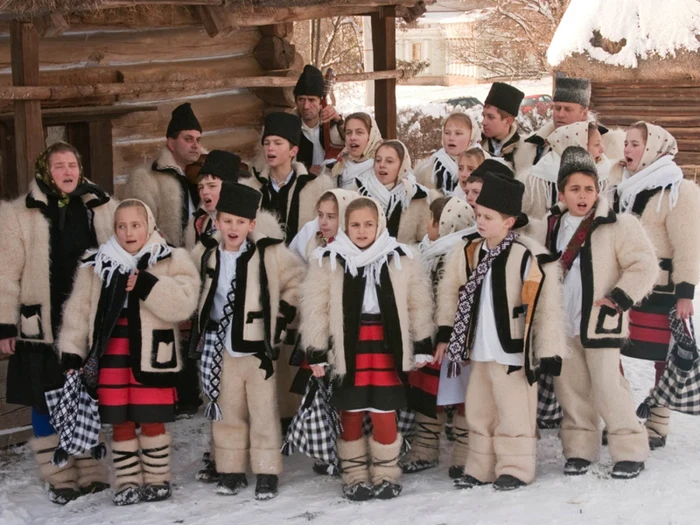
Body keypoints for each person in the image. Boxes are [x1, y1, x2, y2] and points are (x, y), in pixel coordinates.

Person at [58, 199, 200, 505]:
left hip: (152, 351)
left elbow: (186, 302)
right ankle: (126, 482)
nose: (128, 232)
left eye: (135, 225)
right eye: (121, 226)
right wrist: (72, 352)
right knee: (120, 419)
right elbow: (78, 311)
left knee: (151, 416)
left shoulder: (171, 257)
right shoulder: (96, 262)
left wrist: (147, 285)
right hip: (111, 352)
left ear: (148, 224)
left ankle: (157, 478)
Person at [435, 170, 566, 491]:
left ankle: (515, 466)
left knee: (514, 410)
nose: (480, 221)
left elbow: (547, 308)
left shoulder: (529, 256)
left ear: (509, 221)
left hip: (513, 349)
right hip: (479, 346)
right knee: (479, 409)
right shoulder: (468, 252)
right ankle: (481, 466)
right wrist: (445, 333)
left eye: (488, 217)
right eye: (478, 214)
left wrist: (549, 350)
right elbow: (451, 292)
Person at [0, 142, 116, 504]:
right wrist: (4, 324)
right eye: (58, 167)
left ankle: (91, 471)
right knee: (44, 397)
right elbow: (5, 274)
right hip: (41, 323)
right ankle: (59, 475)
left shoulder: (98, 206)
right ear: (44, 172)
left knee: (85, 394)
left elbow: (130, 237)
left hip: (85, 321)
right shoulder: (19, 214)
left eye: (72, 165)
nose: (67, 172)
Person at [299, 197, 434, 501]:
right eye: (355, 225)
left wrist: (422, 342)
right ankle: (355, 474)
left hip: (386, 345)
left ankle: (386, 473)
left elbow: (418, 303)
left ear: (380, 225)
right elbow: (316, 310)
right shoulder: (329, 259)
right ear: (346, 227)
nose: (362, 231)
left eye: (368, 224)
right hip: (349, 348)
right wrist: (317, 351)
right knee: (352, 409)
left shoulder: (400, 257)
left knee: (385, 409)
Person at [537, 146, 658, 479]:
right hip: (562, 323)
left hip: (601, 322)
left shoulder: (619, 224)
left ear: (598, 190)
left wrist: (619, 297)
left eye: (589, 188)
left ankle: (629, 449)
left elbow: (645, 266)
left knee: (608, 387)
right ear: (562, 192)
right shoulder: (550, 225)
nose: (583, 195)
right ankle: (579, 450)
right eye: (574, 189)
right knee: (571, 391)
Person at [189, 182, 303, 500]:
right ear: (217, 221)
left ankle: (266, 471)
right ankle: (231, 469)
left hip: (256, 349)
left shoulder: (268, 253)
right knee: (228, 411)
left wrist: (281, 315)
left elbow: (296, 282)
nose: (233, 227)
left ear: (252, 224)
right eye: (227, 220)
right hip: (219, 346)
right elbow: (191, 285)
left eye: (241, 222)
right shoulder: (207, 254)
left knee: (263, 412)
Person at [613, 122, 700, 450]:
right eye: (627, 144)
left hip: (661, 291)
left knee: (664, 357)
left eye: (636, 144)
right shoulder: (623, 186)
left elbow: (688, 245)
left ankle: (658, 422)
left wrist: (685, 293)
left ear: (654, 150)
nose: (628, 150)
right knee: (609, 350)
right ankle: (621, 415)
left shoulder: (679, 190)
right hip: (623, 285)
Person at [403, 196, 476, 478]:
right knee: (427, 395)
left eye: (430, 222)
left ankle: (464, 451)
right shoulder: (425, 252)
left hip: (457, 339)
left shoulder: (461, 253)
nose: (426, 227)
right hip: (430, 337)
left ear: (441, 224)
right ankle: (425, 447)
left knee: (462, 396)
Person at [247, 112, 334, 245]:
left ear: (293, 151)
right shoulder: (252, 188)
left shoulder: (317, 187)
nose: (270, 148)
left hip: (304, 262)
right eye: (266, 143)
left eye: (277, 143)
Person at [124, 103, 203, 247]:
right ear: (171, 144)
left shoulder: (206, 174)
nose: (195, 145)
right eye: (188, 139)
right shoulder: (144, 179)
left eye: (198, 140)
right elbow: (140, 227)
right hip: (166, 259)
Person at [514, 77, 624, 180]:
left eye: (568, 109)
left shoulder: (609, 146)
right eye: (557, 108)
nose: (560, 114)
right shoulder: (535, 146)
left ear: (584, 113)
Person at [523, 121, 615, 218]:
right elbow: (535, 219)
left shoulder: (607, 170)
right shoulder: (540, 177)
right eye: (597, 145)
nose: (602, 150)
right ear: (579, 146)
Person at [356, 140, 431, 244]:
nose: (382, 165)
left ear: (402, 165)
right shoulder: (360, 191)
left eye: (389, 161)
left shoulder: (418, 196)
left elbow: (425, 241)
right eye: (378, 160)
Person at [184, 150, 244, 250]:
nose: (204, 192)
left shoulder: (248, 223)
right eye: (201, 187)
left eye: (212, 186)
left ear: (229, 188)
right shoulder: (199, 222)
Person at [294, 64, 345, 174]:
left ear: (321, 102)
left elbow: (361, 146)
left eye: (311, 100)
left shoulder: (333, 125)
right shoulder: (288, 128)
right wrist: (305, 171)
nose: (306, 106)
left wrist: (339, 121)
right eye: (301, 99)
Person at [415, 113, 481, 195]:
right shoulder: (428, 169)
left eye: (458, 133)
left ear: (471, 136)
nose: (451, 138)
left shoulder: (483, 161)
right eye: (447, 133)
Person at [329, 112, 383, 190]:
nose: (352, 137)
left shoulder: (382, 168)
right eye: (348, 132)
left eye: (359, 132)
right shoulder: (338, 164)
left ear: (371, 136)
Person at [480, 82, 524, 167]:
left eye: (490, 117)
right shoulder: (477, 144)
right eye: (484, 115)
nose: (484, 122)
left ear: (508, 121)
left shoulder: (523, 151)